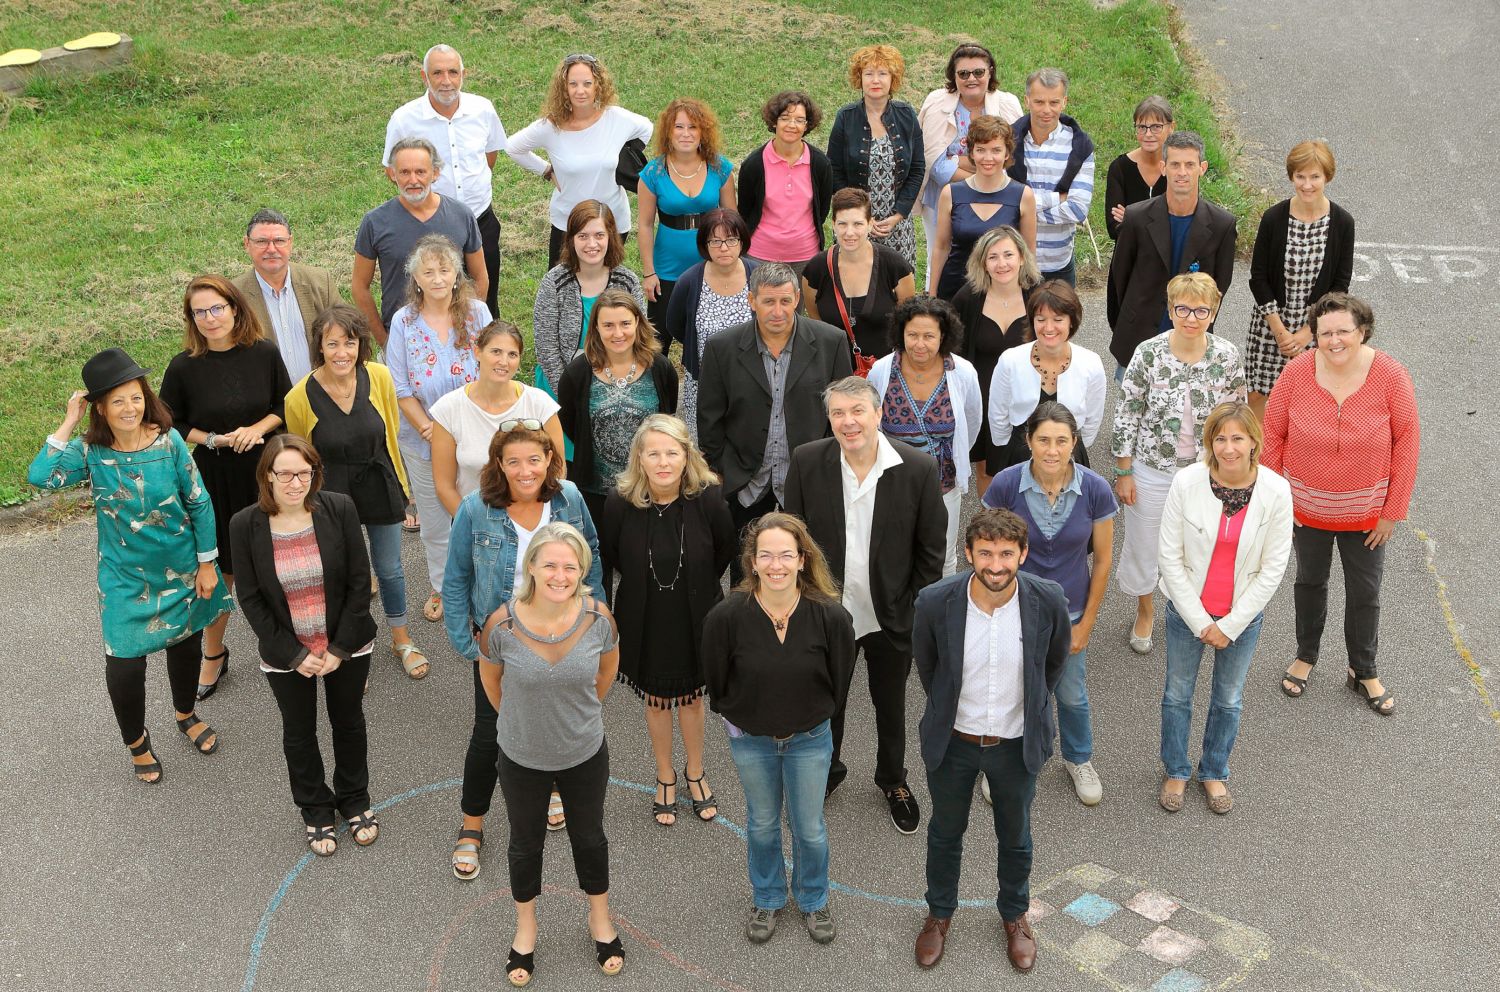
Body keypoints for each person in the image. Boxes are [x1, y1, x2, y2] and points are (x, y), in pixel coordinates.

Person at [29, 349, 233, 783]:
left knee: (183, 647)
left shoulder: (169, 441)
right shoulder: (90, 452)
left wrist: (207, 564)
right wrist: (69, 419)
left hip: (182, 570)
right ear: (99, 407)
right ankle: (137, 742)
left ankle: (185, 714)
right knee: (124, 665)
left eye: (136, 397)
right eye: (117, 401)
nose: (129, 408)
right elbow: (39, 476)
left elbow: (199, 502)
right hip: (124, 579)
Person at [911, 508, 1071, 973]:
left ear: (1023, 553)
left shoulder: (1049, 600)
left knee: (1016, 836)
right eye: (985, 553)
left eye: (1006, 553)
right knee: (945, 833)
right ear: (968, 553)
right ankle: (939, 915)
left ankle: (1015, 916)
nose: (996, 565)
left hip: (1016, 744)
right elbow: (929, 667)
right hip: (954, 741)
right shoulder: (935, 602)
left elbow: (1053, 664)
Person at [784, 377, 945, 831]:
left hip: (891, 616)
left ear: (878, 415)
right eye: (838, 413)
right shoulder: (807, 461)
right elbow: (794, 540)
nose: (848, 421)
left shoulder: (916, 468)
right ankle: (828, 774)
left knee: (890, 703)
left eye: (857, 411)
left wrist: (912, 609)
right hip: (828, 614)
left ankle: (893, 778)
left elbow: (931, 552)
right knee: (826, 703)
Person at [442, 425, 602, 880]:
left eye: (535, 460)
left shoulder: (568, 497)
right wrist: (465, 642)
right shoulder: (476, 508)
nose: (525, 470)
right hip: (502, 640)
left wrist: (596, 614)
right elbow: (455, 577)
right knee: (490, 731)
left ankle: (552, 786)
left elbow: (590, 551)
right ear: (498, 465)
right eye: (513, 461)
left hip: (565, 631)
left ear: (550, 460)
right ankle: (471, 826)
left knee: (557, 717)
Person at [702, 513, 857, 946]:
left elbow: (839, 678)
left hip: (810, 740)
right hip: (751, 742)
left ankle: (813, 899)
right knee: (763, 824)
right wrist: (743, 717)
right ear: (751, 562)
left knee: (809, 827)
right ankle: (767, 897)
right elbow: (716, 679)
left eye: (786, 555)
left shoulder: (830, 616)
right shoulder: (727, 617)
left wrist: (812, 713)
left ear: (802, 560)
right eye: (765, 555)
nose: (776, 565)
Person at [1262, 293, 1418, 717]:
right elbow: (1272, 434)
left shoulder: (1390, 374)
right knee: (1309, 582)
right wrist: (1273, 498)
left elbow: (1406, 443)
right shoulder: (1296, 372)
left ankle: (1362, 669)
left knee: (1365, 592)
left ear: (1362, 330)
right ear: (1315, 334)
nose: (1333, 341)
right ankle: (1305, 655)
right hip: (1305, 508)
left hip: (1367, 514)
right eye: (1325, 332)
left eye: (1343, 331)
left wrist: (1392, 511)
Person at [480, 522, 624, 984]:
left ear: (581, 569)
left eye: (570, 565)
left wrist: (572, 718)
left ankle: (599, 919)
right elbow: (491, 682)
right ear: (532, 568)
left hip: (584, 752)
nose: (560, 574)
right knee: (525, 844)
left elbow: (605, 676)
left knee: (590, 838)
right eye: (550, 565)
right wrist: (527, 726)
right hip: (521, 757)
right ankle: (526, 928)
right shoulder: (501, 624)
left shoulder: (600, 618)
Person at [230, 435, 381, 853]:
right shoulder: (245, 524)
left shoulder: (340, 509)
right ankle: (315, 808)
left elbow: (358, 582)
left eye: (304, 473)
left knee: (348, 722)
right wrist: (295, 655)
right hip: (287, 654)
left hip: (344, 645)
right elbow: (251, 599)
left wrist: (338, 648)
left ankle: (354, 799)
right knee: (299, 733)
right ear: (268, 476)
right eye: (285, 474)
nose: (296, 483)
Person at [598, 415, 737, 826]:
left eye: (671, 452)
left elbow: (724, 552)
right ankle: (665, 776)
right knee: (657, 701)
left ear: (685, 456)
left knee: (692, 699)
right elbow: (611, 557)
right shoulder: (619, 502)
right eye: (653, 453)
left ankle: (695, 771)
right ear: (639, 458)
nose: (663, 462)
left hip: (695, 615)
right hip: (645, 616)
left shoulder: (708, 498)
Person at [160, 275, 291, 701]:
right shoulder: (183, 367)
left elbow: (282, 405)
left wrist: (255, 430)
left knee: (280, 562)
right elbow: (170, 422)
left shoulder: (264, 353)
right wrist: (214, 439)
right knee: (222, 572)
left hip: (264, 472)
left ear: (235, 308)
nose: (210, 318)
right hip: (214, 476)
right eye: (200, 311)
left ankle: (293, 643)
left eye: (217, 307)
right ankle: (214, 653)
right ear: (192, 319)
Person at [1157, 401, 1293, 813]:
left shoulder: (1276, 491)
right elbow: (1169, 556)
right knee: (1177, 694)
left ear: (1254, 441)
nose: (1229, 448)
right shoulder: (1186, 483)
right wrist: (1200, 621)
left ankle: (1214, 770)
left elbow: (1273, 568)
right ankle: (1176, 770)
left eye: (1237, 438)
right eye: (1220, 439)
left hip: (1241, 619)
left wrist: (1230, 625)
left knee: (1228, 699)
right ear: (1209, 443)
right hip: (1187, 614)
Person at [981, 403, 1116, 806]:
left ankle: (1078, 759)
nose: (1052, 449)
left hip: (1070, 613)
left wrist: (1087, 623)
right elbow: (989, 555)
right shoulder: (1005, 485)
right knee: (1010, 690)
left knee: (1071, 694)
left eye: (1061, 440)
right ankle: (1004, 763)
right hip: (1012, 610)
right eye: (1043, 440)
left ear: (1074, 442)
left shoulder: (1095, 488)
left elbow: (1104, 559)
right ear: (1029, 442)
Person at [283, 304, 425, 680]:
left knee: (390, 569)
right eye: (333, 344)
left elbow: (390, 435)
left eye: (350, 342)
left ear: (360, 345)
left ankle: (402, 639)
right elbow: (299, 455)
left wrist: (404, 488)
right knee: (341, 574)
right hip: (330, 493)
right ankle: (347, 649)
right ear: (319, 347)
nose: (342, 352)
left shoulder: (378, 377)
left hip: (378, 480)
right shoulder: (299, 397)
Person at [1112, 273, 1247, 655]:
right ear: (1170, 309)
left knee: (1196, 544)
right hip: (1150, 468)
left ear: (1213, 311)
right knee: (1144, 543)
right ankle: (1145, 609)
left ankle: (1186, 610)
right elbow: (1127, 411)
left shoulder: (1226, 355)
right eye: (1182, 308)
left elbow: (1237, 416)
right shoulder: (1148, 353)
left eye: (1201, 309)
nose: (1191, 317)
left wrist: (1234, 472)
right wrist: (1123, 471)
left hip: (1204, 471)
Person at [696, 263, 853, 569]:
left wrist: (827, 466)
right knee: (748, 572)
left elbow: (841, 412)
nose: (778, 311)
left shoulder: (830, 342)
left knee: (811, 569)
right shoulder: (721, 347)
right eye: (768, 302)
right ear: (751, 301)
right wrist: (723, 467)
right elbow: (709, 417)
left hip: (809, 481)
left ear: (797, 298)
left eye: (785, 301)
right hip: (746, 483)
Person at [385, 233, 493, 624]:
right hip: (422, 438)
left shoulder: (478, 314)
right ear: (415, 278)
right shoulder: (404, 322)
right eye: (427, 271)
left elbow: (494, 368)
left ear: (455, 274)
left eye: (444, 269)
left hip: (476, 435)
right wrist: (432, 430)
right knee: (433, 519)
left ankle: (483, 580)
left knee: (479, 510)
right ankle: (444, 587)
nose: (436, 278)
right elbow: (399, 387)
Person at [558, 290, 678, 598]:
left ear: (639, 323)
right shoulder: (577, 374)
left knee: (647, 570)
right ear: (595, 328)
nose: (618, 333)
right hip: (596, 493)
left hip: (649, 489)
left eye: (625, 323)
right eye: (608, 325)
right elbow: (571, 426)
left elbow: (666, 417)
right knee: (595, 573)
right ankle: (602, 636)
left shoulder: (661, 369)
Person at [383, 44, 512, 315]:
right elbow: (393, 170)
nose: (446, 81)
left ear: (463, 74)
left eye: (453, 72)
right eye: (437, 73)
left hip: (481, 220)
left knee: (485, 296)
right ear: (424, 76)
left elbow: (490, 154)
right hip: (432, 227)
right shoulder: (404, 119)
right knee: (432, 299)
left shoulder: (483, 109)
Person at [867, 296, 983, 575]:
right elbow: (871, 423)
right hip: (892, 481)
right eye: (913, 335)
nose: (920, 343)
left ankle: (940, 614)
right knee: (894, 552)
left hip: (943, 482)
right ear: (900, 333)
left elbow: (972, 420)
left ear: (943, 336)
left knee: (943, 556)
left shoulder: (962, 372)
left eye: (929, 336)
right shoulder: (882, 370)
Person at [506, 52, 653, 270]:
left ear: (598, 86)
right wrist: (546, 170)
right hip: (567, 223)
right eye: (573, 84)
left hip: (611, 223)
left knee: (605, 291)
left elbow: (647, 129)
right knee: (563, 288)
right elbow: (513, 147)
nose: (580, 90)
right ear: (564, 88)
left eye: (587, 83)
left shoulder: (617, 118)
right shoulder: (551, 126)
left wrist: (625, 158)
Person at [1107, 131, 1237, 375]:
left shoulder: (1222, 225)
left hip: (1192, 342)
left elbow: (1220, 286)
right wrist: (1129, 320)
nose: (1182, 172)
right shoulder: (1136, 218)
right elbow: (1119, 278)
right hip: (1139, 339)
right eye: (1175, 164)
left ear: (1203, 168)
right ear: (1163, 167)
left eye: (1190, 164)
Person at [1245, 141, 1356, 418]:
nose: (1307, 184)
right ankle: (1258, 457)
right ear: (1291, 176)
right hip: (1270, 325)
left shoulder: (1342, 223)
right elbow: (1257, 277)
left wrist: (1309, 332)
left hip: (1318, 327)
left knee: (1309, 399)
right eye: (1300, 177)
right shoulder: (1273, 218)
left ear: (1327, 177)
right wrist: (1280, 332)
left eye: (1315, 177)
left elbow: (1340, 286)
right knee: (1258, 393)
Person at [352, 136, 486, 346]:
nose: (413, 180)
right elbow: (359, 287)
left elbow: (480, 277)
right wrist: (384, 340)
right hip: (401, 338)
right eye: (405, 172)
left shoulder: (461, 215)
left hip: (456, 337)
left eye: (420, 172)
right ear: (392, 174)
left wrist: (468, 326)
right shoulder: (374, 222)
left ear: (435, 173)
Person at [916, 43, 1024, 290]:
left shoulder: (1008, 103)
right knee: (940, 256)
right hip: (943, 197)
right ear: (953, 76)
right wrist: (977, 176)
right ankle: (937, 307)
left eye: (978, 72)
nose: (971, 79)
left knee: (993, 258)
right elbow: (934, 162)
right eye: (963, 73)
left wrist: (958, 159)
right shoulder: (937, 103)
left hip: (995, 198)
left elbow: (1009, 157)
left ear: (990, 72)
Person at [431, 320, 564, 516]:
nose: (504, 361)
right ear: (477, 352)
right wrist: (473, 525)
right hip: (476, 523)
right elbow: (444, 487)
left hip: (533, 520)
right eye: (496, 352)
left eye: (512, 354)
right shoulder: (448, 409)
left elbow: (558, 471)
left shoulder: (540, 404)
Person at [636, 97, 736, 338]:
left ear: (704, 132)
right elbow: (645, 225)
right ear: (668, 131)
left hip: (711, 264)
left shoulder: (720, 167)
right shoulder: (653, 172)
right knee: (659, 340)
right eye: (679, 127)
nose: (686, 134)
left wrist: (732, 265)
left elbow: (733, 221)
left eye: (693, 127)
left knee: (709, 336)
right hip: (667, 269)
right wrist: (649, 273)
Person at [953, 227, 1040, 490]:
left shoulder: (1038, 296)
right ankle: (992, 527)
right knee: (988, 473)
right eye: (993, 257)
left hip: (1027, 397)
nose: (1001, 264)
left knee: (1029, 470)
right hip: (983, 397)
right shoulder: (967, 299)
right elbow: (952, 351)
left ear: (1022, 258)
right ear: (983, 262)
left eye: (1008, 255)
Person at [988, 280, 1106, 472]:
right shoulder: (1010, 360)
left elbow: (1093, 419)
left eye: (1058, 319)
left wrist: (1072, 447)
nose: (1048, 328)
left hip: (1070, 457)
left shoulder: (1091, 363)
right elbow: (998, 416)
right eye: (1041, 319)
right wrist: (1007, 453)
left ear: (1071, 321)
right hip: (1020, 456)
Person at [533, 199, 646, 398]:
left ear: (610, 237)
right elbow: (546, 348)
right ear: (571, 239)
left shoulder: (627, 282)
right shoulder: (554, 282)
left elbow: (640, 338)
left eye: (599, 235)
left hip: (615, 383)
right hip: (561, 383)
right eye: (582, 236)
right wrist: (569, 393)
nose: (591, 244)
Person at [827, 44, 924, 268]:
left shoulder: (907, 115)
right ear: (859, 78)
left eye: (882, 73)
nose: (875, 80)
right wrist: (859, 216)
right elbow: (834, 169)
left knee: (898, 288)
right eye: (869, 74)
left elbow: (918, 168)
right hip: (856, 223)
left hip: (896, 222)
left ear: (893, 78)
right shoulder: (846, 117)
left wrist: (899, 214)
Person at [666, 209, 758, 442]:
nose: (724, 247)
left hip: (750, 380)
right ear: (704, 244)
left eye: (730, 239)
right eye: (715, 241)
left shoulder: (757, 276)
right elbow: (675, 325)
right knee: (704, 445)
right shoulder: (689, 281)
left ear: (742, 241)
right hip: (702, 381)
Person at [800, 188, 916, 371]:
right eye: (842, 224)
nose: (849, 232)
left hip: (884, 370)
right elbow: (815, 317)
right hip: (834, 368)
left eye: (858, 224)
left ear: (870, 224)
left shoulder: (895, 266)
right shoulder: (816, 269)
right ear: (833, 224)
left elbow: (908, 319)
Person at [929, 115, 1036, 300]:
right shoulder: (950, 193)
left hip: (1004, 293)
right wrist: (932, 295)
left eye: (996, 150)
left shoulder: (1023, 195)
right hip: (955, 291)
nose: (988, 158)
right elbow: (941, 247)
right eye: (981, 150)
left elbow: (1028, 253)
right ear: (971, 153)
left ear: (1007, 153)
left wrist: (1025, 296)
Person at [232, 208, 340, 385]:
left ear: (290, 242)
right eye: (262, 241)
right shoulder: (234, 295)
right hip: (268, 404)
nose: (271, 249)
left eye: (279, 241)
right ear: (247, 244)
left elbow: (348, 333)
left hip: (323, 395)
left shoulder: (320, 281)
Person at [1008, 69, 1095, 286]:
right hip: (1014, 262)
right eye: (1039, 102)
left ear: (1064, 102)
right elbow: (1004, 203)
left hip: (1059, 264)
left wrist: (1024, 212)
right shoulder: (1007, 141)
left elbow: (1077, 209)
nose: (1046, 110)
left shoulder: (1080, 145)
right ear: (1027, 100)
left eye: (1054, 102)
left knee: (1059, 322)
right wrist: (1058, 199)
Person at [737, 90, 833, 279]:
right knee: (760, 307)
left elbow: (821, 210)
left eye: (799, 120)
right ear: (774, 121)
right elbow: (745, 211)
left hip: (804, 255)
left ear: (807, 125)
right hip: (760, 255)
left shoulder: (820, 164)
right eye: (785, 118)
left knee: (796, 309)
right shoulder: (754, 164)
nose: (792, 125)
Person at [1104, 96, 1173, 241]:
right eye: (1142, 127)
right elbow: (1114, 228)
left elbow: (1186, 221)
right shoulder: (1120, 168)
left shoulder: (1180, 167)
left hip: (1170, 258)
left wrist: (1132, 219)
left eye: (1156, 127)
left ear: (1171, 127)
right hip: (1129, 258)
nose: (1148, 134)